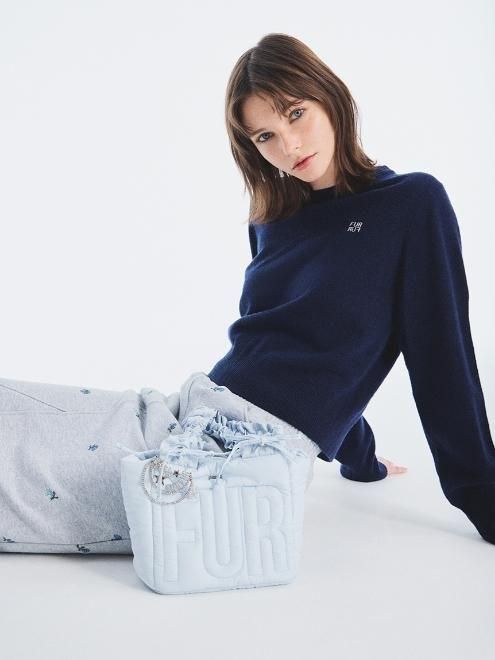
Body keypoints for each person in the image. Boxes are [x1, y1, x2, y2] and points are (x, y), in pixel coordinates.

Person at [206, 33, 495, 544]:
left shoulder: (410, 204)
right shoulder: (269, 221)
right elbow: (291, 344)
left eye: (296, 114)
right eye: (265, 136)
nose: (288, 146)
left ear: (329, 96)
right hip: (207, 406)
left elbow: (441, 354)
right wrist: (359, 456)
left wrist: (483, 494)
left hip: (255, 449)